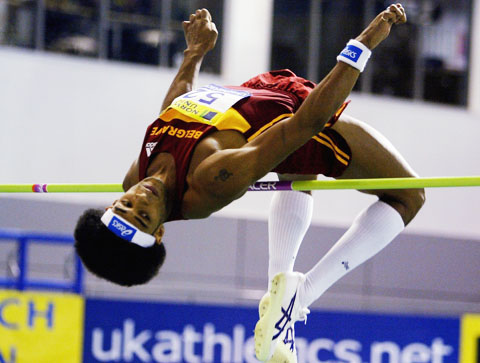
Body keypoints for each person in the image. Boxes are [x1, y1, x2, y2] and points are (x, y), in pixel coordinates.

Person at [74, 4, 422, 362]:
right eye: (144, 218)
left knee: (298, 176)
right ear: (159, 233)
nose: (139, 200)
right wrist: (363, 45)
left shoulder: (135, 176)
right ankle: (301, 295)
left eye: (125, 206)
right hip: (299, 115)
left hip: (257, 95)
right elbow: (303, 126)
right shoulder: (211, 179)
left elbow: (172, 111)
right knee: (410, 196)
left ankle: (280, 291)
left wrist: (194, 53)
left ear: (111, 204)